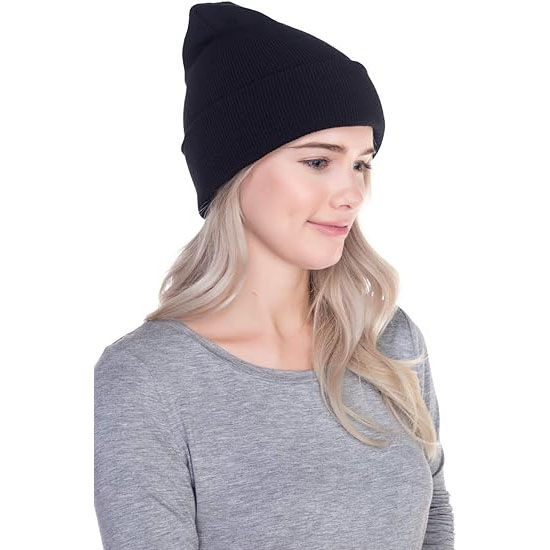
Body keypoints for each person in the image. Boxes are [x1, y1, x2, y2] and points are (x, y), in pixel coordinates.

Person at [94, 2, 455, 549]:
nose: (353, 193)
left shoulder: (388, 340)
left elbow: (434, 516)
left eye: (361, 163)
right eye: (318, 161)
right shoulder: (149, 377)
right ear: (234, 170)